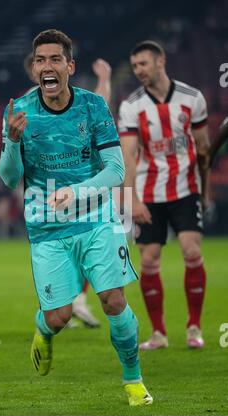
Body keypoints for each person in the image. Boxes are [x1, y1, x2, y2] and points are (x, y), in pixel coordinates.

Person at [0, 29, 152, 406]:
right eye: (39, 60)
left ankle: (133, 381)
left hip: (97, 217)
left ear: (69, 66)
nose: (46, 66)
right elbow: (9, 177)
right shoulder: (18, 111)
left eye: (54, 59)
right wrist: (14, 142)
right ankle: (43, 331)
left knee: (113, 301)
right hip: (47, 226)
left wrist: (78, 191)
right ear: (34, 68)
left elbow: (115, 171)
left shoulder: (93, 106)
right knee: (59, 318)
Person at [118, 40, 210, 350]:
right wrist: (130, 198)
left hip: (186, 188)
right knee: (149, 259)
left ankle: (194, 327)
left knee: (192, 252)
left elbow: (204, 149)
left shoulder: (192, 98)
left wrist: (205, 188)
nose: (138, 71)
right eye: (134, 66)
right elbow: (128, 156)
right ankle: (158, 333)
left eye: (143, 64)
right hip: (148, 191)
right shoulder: (131, 106)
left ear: (161, 62)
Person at [22, 53, 113, 328]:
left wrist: (105, 80)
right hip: (51, 191)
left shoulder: (75, 98)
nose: (46, 70)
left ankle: (76, 301)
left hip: (79, 186)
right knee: (67, 244)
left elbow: (99, 107)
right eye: (39, 64)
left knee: (84, 241)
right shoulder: (30, 102)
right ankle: (64, 303)